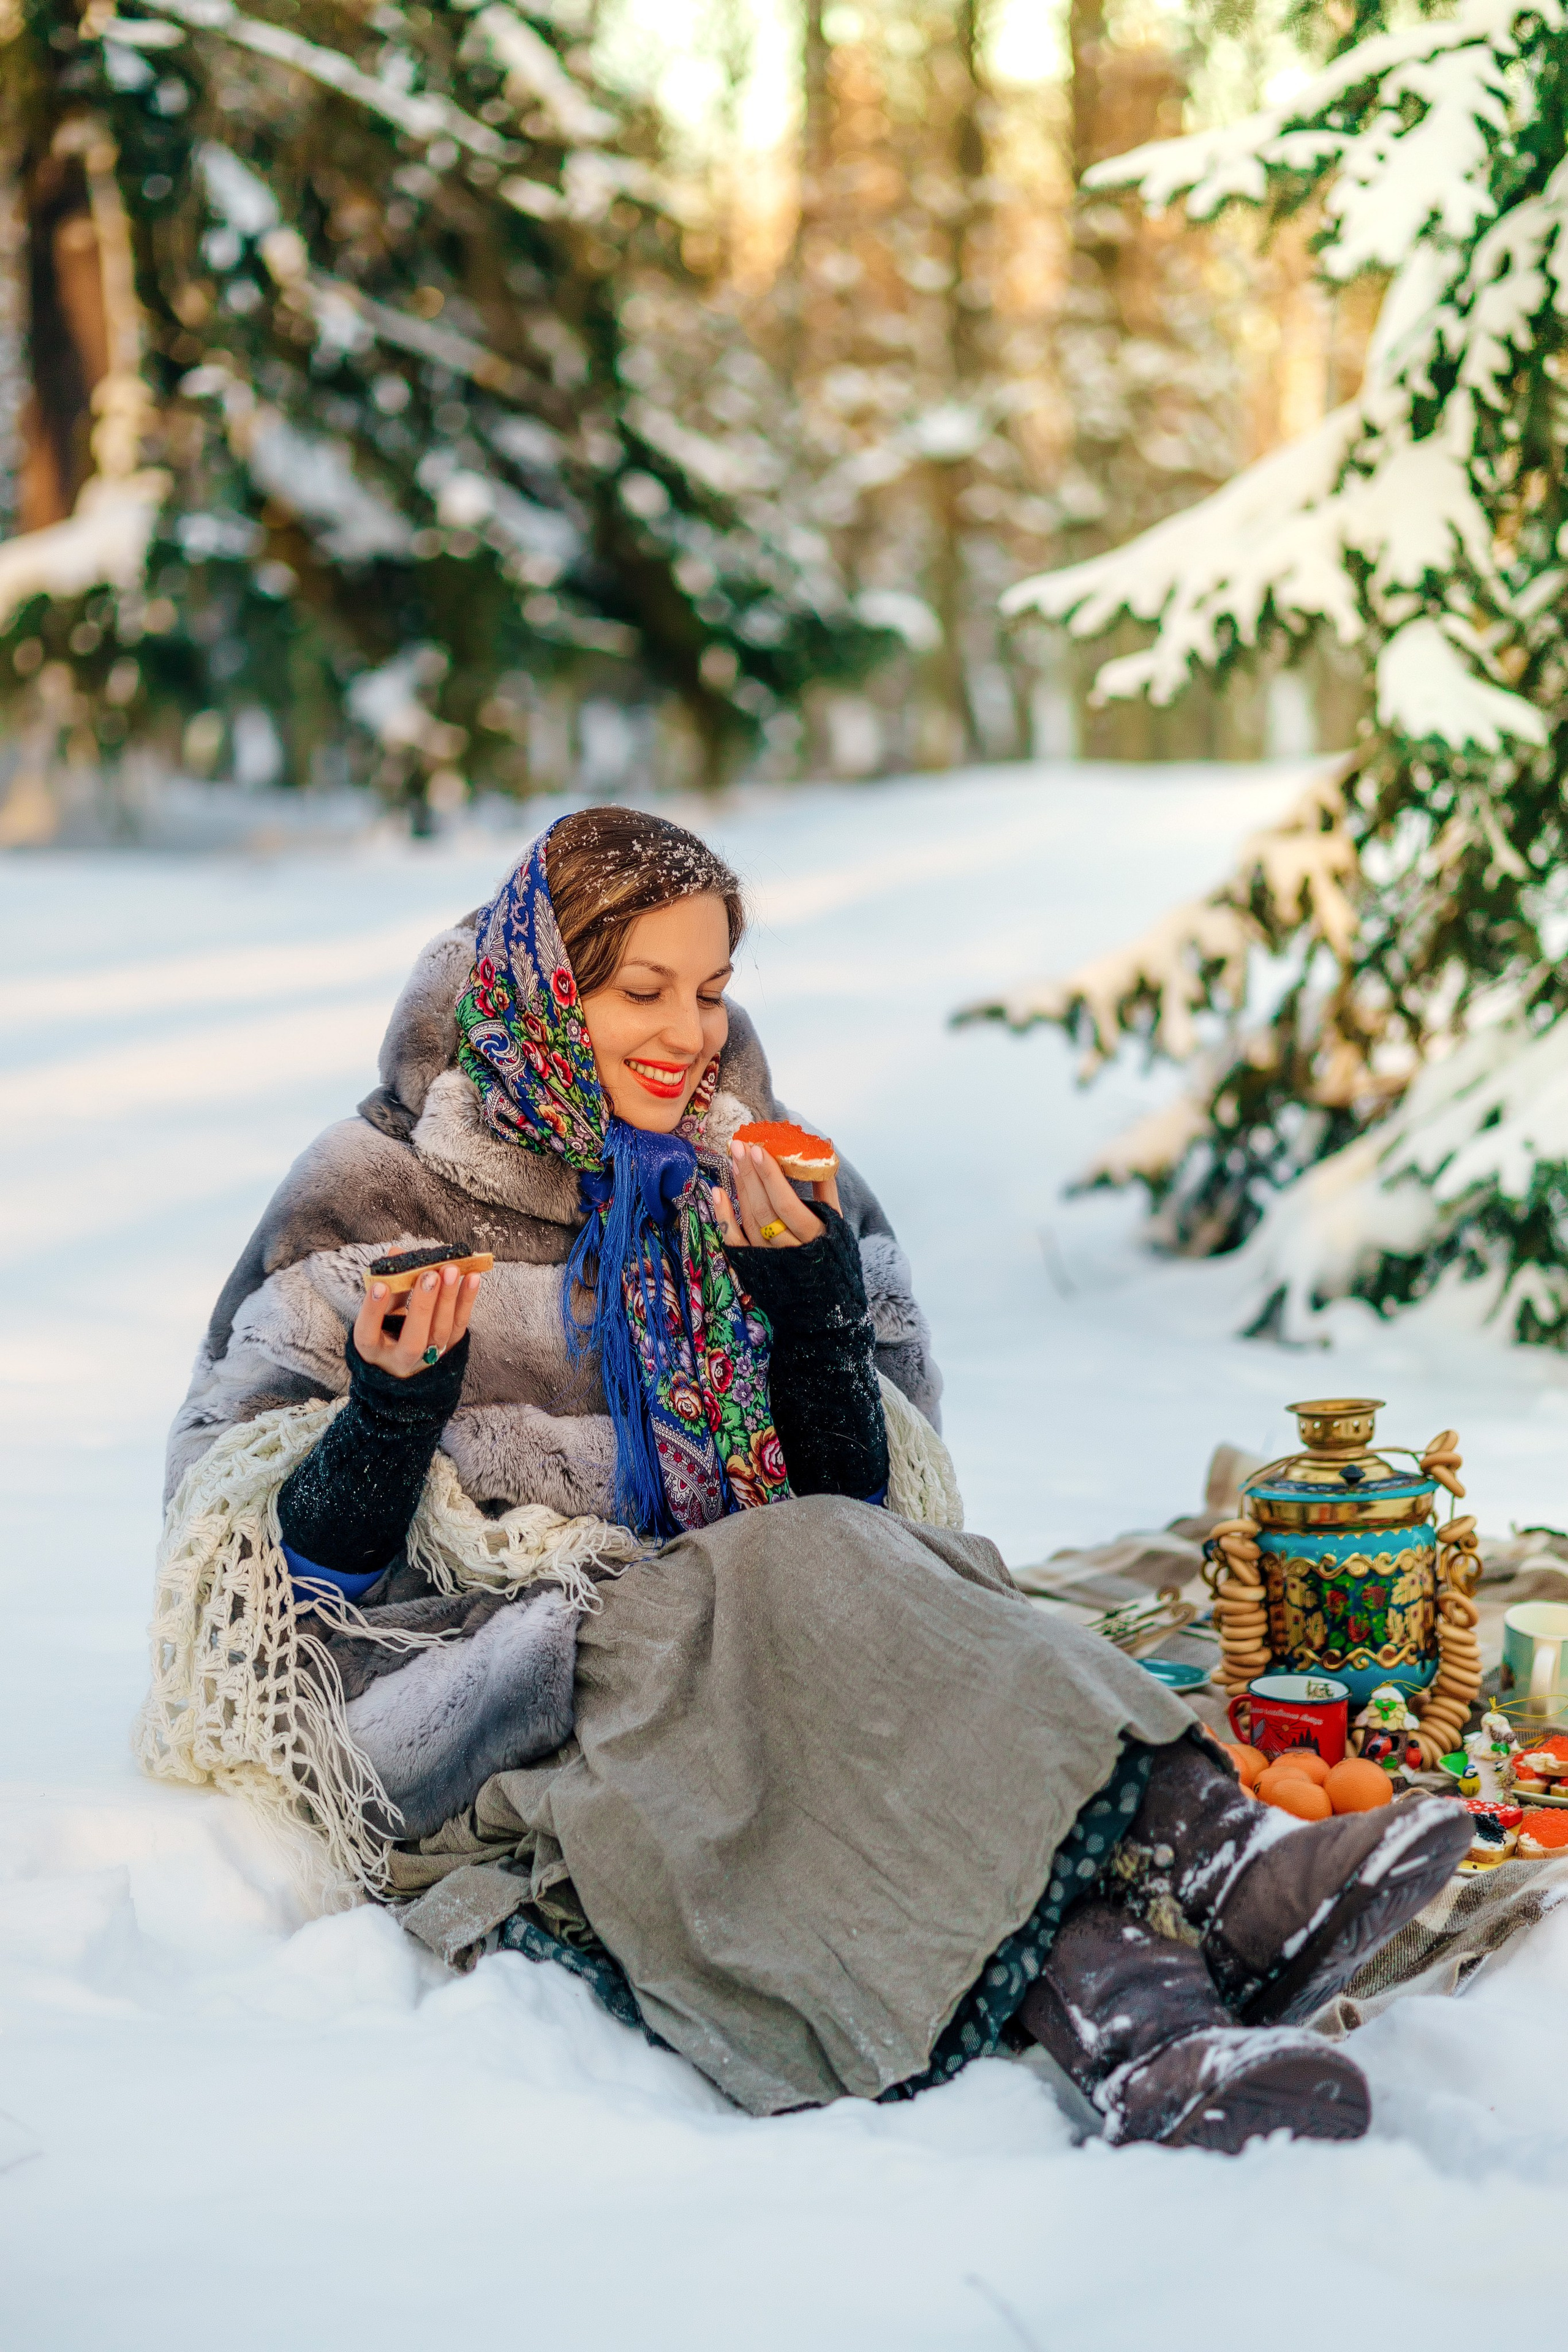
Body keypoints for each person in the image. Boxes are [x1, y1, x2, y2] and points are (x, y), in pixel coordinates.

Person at [164, 806, 1469, 2143]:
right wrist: (390, 1415)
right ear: (543, 995)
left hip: (781, 1637)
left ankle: (1148, 2034)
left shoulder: (767, 1168)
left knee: (870, 1634)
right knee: (801, 1602)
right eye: (641, 992)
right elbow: (267, 1587)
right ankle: (1219, 1856)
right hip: (512, 1681)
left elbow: (880, 1521)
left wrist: (811, 1318)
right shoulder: (377, 1194)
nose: (689, 1034)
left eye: (713, 991)